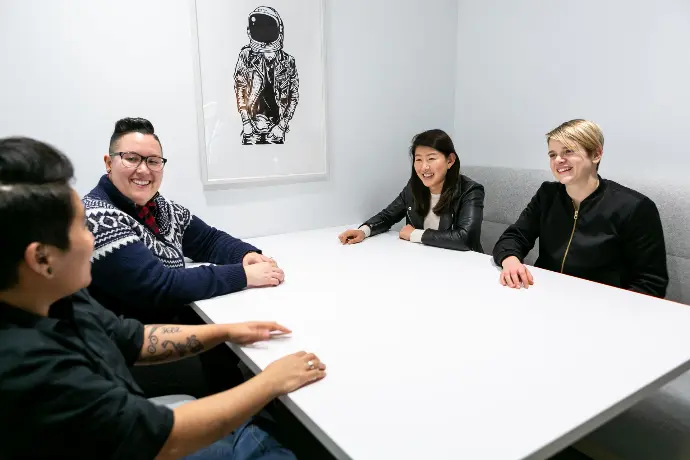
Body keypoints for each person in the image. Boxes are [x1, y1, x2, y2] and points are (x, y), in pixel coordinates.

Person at [0, 136, 326, 459]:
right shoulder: (30, 367)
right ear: (41, 259)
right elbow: (162, 438)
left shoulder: (60, 297)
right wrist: (269, 382)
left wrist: (226, 331)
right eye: (81, 228)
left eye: (153, 160)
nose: (91, 237)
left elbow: (132, 337)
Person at [83, 117, 284, 324]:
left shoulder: (159, 205)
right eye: (132, 158)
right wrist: (242, 275)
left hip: (175, 322)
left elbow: (208, 240)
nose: (144, 170)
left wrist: (245, 254)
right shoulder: (96, 218)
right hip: (136, 345)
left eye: (153, 161)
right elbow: (160, 285)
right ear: (109, 163)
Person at [492, 119, 668, 297]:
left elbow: (650, 283)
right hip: (543, 294)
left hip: (601, 306)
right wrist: (510, 260)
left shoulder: (635, 207)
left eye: (568, 151)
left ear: (596, 154)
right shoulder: (547, 194)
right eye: (552, 154)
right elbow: (514, 237)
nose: (558, 160)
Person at [338, 129, 485, 252]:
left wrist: (415, 234)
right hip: (423, 260)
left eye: (431, 159)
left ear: (450, 160)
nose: (424, 167)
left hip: (462, 266)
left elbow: (465, 238)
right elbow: (388, 216)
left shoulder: (470, 191)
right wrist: (363, 231)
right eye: (418, 159)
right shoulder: (414, 187)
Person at [234, 6, 299, 145]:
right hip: (251, 125)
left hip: (277, 126)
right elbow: (240, 89)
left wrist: (282, 126)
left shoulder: (288, 62)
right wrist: (246, 123)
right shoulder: (246, 56)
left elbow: (293, 96)